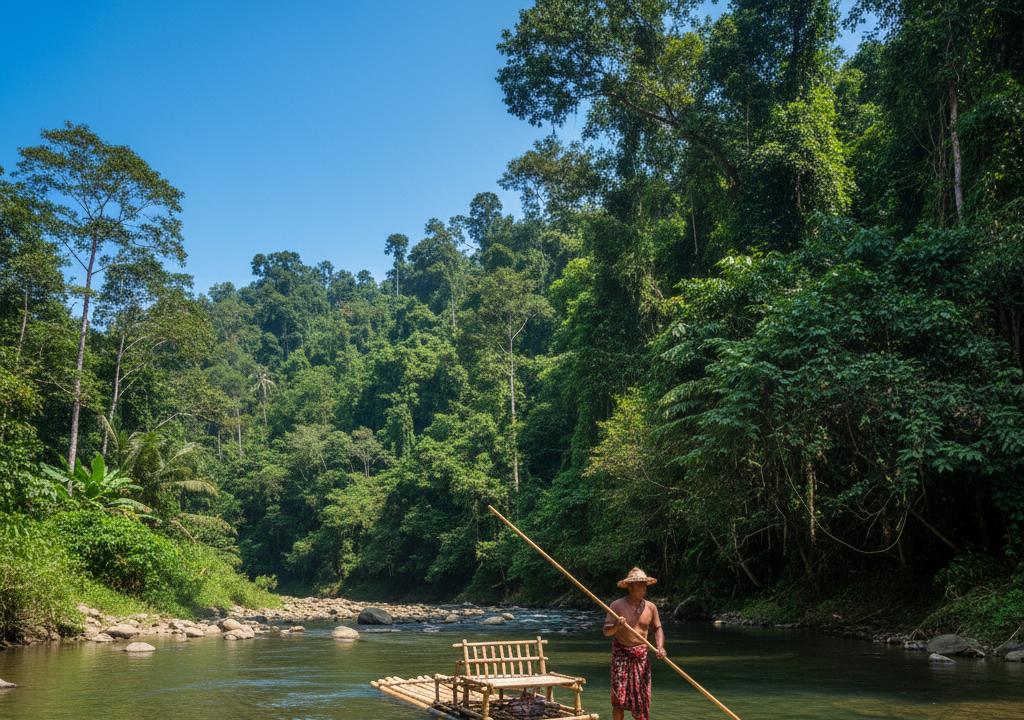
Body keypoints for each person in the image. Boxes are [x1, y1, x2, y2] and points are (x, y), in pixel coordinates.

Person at [603, 567, 665, 720]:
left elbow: (658, 628)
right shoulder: (616, 605)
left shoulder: (651, 607)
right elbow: (606, 631)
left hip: (641, 658)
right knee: (619, 701)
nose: (644, 588)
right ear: (630, 587)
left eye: (645, 585)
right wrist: (617, 626)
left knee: (642, 701)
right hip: (621, 656)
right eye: (639, 585)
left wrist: (660, 647)